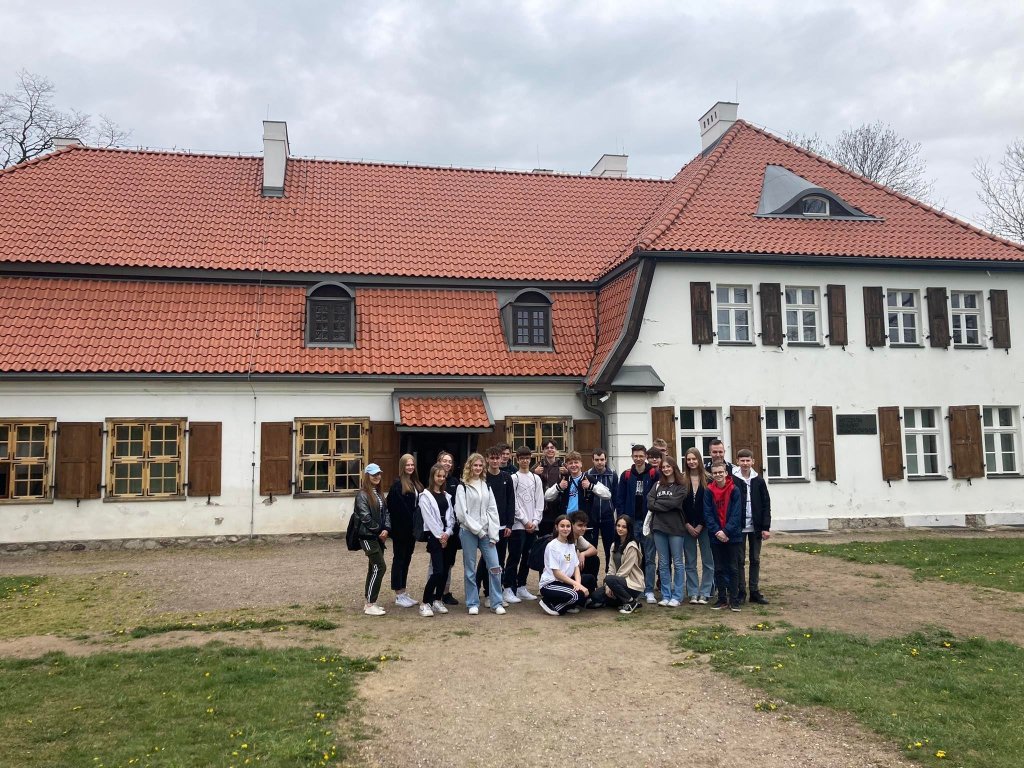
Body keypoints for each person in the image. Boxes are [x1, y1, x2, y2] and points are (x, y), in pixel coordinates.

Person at [455, 453, 504, 616]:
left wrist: (493, 533)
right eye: (475, 465)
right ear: (469, 466)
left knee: (495, 567)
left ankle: (496, 602)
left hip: (486, 533)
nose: (477, 468)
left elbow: (493, 510)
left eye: (480, 465)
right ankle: (472, 602)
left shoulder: (486, 485)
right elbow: (462, 514)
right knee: (470, 568)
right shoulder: (462, 486)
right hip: (469, 531)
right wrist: (478, 530)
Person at [615, 444, 657, 603]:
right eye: (635, 456)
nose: (638, 459)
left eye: (641, 456)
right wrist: (621, 521)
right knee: (632, 557)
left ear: (646, 456)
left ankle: (649, 589)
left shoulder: (654, 474)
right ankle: (635, 587)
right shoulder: (626, 475)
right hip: (631, 522)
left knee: (650, 557)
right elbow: (620, 499)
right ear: (632, 456)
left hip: (648, 522)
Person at [644, 456, 687, 606]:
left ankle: (677, 596)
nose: (666, 469)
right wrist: (665, 504)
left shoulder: (681, 486)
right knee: (662, 563)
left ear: (674, 467)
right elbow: (650, 503)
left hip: (676, 528)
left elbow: (675, 502)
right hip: (658, 527)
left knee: (677, 562)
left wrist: (659, 503)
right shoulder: (657, 485)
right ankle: (666, 595)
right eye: (663, 467)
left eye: (668, 466)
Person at [731, 448, 772, 605]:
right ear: (737, 462)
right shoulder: (733, 479)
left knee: (755, 559)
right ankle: (741, 591)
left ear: (753, 462)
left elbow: (765, 504)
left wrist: (766, 527)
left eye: (748, 460)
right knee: (739, 559)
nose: (745, 463)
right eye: (742, 461)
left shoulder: (759, 480)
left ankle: (754, 591)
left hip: (755, 526)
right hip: (739, 526)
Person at [704, 460, 744, 612]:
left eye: (721, 472)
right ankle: (721, 599)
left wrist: (726, 531)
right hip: (715, 536)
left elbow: (736, 513)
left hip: (732, 535)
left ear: (726, 473)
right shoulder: (708, 491)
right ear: (712, 475)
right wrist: (717, 532)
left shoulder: (734, 489)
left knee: (733, 568)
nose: (718, 475)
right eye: (715, 473)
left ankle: (734, 599)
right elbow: (707, 514)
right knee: (719, 568)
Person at [506, 445, 543, 602]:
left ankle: (521, 586)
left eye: (527, 458)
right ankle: (508, 587)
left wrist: (534, 521)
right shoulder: (513, 478)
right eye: (522, 458)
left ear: (531, 459)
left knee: (527, 557)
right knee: (514, 557)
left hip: (532, 526)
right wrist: (525, 521)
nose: (525, 461)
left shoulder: (536, 478)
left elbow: (539, 502)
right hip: (518, 525)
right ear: (517, 459)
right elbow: (513, 503)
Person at [385, 453, 422, 609]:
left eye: (412, 465)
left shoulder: (415, 484)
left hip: (412, 531)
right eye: (407, 465)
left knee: (407, 560)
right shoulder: (397, 485)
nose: (410, 467)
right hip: (402, 531)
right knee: (399, 560)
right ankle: (398, 594)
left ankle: (403, 591)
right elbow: (397, 510)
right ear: (402, 466)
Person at [479, 445, 515, 606]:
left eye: (497, 458)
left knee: (499, 560)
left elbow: (510, 502)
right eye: (491, 458)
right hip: (487, 527)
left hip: (502, 527)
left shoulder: (507, 477)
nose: (494, 461)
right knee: (488, 560)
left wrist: (509, 524)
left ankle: (496, 591)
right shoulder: (483, 478)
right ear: (487, 459)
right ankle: (488, 594)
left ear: (502, 459)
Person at [354, 463, 391, 616]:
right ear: (367, 476)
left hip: (378, 536)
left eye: (378, 474)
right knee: (379, 567)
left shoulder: (379, 493)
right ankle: (370, 604)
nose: (377, 477)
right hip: (368, 536)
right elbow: (365, 517)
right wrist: (378, 530)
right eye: (373, 474)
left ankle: (370, 602)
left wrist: (386, 529)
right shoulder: (362, 495)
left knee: (373, 568)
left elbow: (386, 513)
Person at [418, 463, 455, 617]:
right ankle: (425, 602)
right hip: (434, 537)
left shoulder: (447, 495)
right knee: (438, 570)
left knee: (446, 569)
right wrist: (440, 536)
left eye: (443, 476)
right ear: (432, 477)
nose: (440, 478)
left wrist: (447, 533)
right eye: (438, 476)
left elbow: (451, 517)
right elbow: (429, 519)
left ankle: (438, 599)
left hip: (447, 536)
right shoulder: (425, 496)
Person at [681, 447, 715, 605]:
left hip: (705, 526)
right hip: (687, 526)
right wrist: (687, 524)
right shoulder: (681, 480)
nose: (692, 462)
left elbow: (710, 506)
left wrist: (701, 524)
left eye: (694, 459)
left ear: (699, 460)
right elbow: (679, 505)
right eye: (689, 459)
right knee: (690, 562)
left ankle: (706, 591)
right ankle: (693, 592)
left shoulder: (709, 479)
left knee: (708, 561)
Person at [537, 514, 589, 616]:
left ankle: (566, 604)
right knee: (577, 595)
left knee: (588, 582)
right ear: (557, 527)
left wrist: (578, 584)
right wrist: (578, 586)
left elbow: (576, 567)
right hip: (550, 584)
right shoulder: (552, 546)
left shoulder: (570, 544)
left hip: (564, 582)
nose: (565, 529)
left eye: (568, 526)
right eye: (562, 526)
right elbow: (556, 573)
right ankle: (549, 603)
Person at [603, 515, 645, 613]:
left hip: (632, 584)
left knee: (609, 579)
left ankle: (631, 602)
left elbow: (625, 571)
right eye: (618, 526)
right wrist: (608, 586)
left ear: (629, 529)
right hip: (617, 582)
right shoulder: (614, 545)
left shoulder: (632, 546)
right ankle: (624, 601)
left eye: (624, 527)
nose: (620, 529)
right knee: (597, 596)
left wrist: (611, 583)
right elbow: (611, 567)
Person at [585, 449, 618, 568]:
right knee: (590, 548)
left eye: (602, 460)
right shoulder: (587, 474)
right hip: (591, 518)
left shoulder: (612, 474)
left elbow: (615, 496)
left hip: (607, 517)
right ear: (592, 460)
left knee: (610, 548)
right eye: (597, 460)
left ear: (606, 460)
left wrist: (612, 511)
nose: (600, 462)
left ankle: (609, 576)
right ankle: (591, 577)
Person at [437, 450, 461, 606]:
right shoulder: (433, 481)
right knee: (437, 562)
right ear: (438, 462)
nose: (447, 463)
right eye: (445, 461)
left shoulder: (455, 482)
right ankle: (434, 592)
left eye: (450, 461)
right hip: (438, 529)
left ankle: (445, 592)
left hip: (452, 528)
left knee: (449, 562)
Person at [533, 440, 564, 535]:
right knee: (543, 538)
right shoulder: (538, 466)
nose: (550, 450)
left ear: (556, 450)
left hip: (558, 508)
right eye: (547, 448)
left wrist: (567, 473)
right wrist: (534, 472)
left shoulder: (562, 465)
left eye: (552, 447)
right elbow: (527, 478)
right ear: (543, 451)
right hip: (542, 509)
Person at [569, 511, 601, 605]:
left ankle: (589, 593)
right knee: (589, 578)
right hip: (564, 574)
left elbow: (594, 550)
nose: (583, 528)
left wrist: (582, 554)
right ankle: (585, 597)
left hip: (574, 571)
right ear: (572, 525)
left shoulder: (578, 537)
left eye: (585, 525)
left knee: (594, 559)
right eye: (580, 525)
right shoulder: (565, 538)